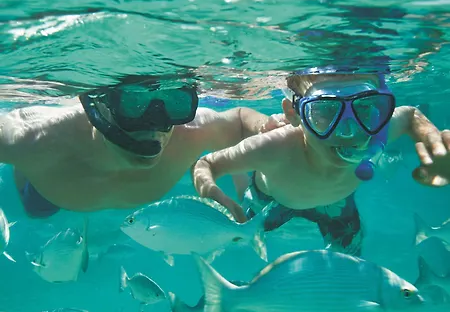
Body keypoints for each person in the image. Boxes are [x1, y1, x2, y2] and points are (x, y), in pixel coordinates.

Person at [192, 67, 449, 256]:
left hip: (338, 202)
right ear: (295, 114)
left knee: (351, 267)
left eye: (363, 107)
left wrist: (435, 143)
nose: (348, 131)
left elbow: (410, 115)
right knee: (239, 237)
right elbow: (207, 164)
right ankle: (242, 166)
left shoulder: (375, 132)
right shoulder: (271, 147)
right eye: (325, 110)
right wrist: (210, 189)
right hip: (271, 201)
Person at [1, 75, 269, 218]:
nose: (155, 128)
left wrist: (267, 127)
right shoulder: (34, 139)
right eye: (133, 104)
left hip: (64, 189)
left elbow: (239, 120)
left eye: (175, 103)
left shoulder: (192, 132)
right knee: (37, 212)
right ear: (100, 109)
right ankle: (21, 170)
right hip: (47, 189)